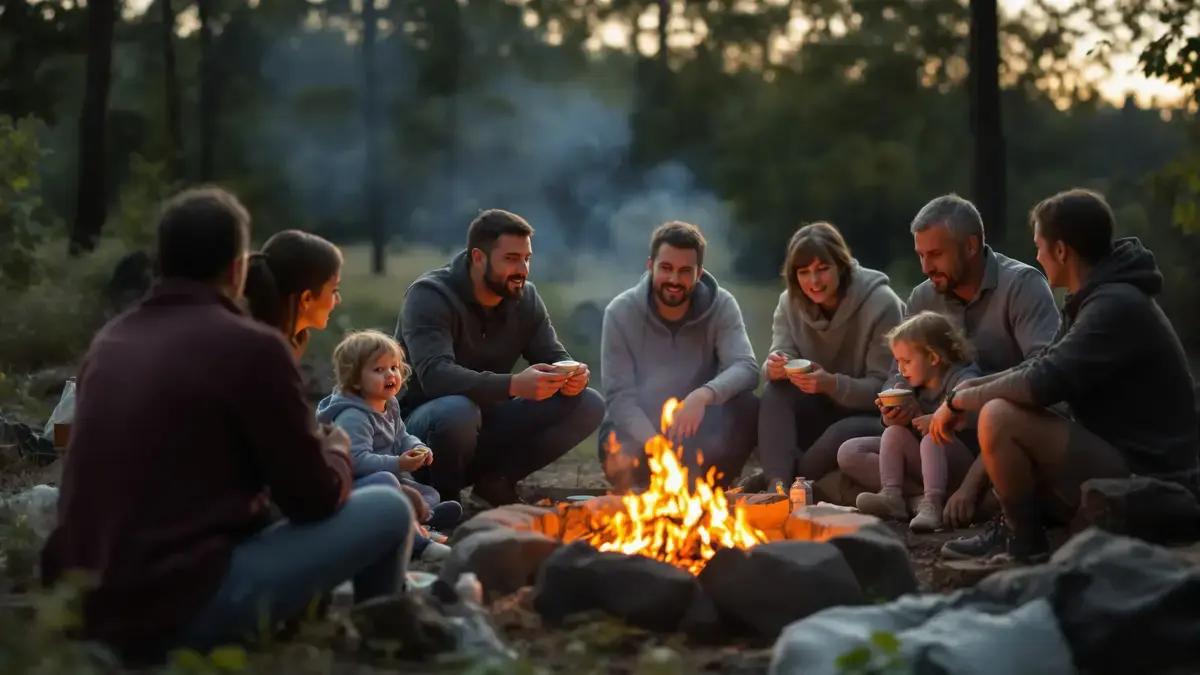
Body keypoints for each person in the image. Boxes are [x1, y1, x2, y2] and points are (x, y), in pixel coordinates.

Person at [40, 187, 419, 663]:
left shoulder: (110, 342)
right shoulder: (251, 347)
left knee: (350, 494)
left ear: (160, 261)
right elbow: (314, 499)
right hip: (180, 608)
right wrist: (339, 451)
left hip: (87, 607)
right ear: (237, 268)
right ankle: (380, 654)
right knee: (389, 507)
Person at [930, 189, 1200, 562]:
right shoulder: (1093, 298)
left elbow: (1042, 383)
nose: (1037, 257)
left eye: (1039, 247)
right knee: (1002, 414)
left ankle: (1022, 541)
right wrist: (967, 389)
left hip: (1149, 476)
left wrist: (960, 400)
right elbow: (1039, 365)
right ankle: (1024, 528)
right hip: (1121, 455)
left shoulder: (1114, 305)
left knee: (999, 416)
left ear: (1061, 251)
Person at [395, 209, 605, 507]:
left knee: (588, 403)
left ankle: (495, 484)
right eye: (511, 259)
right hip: (422, 436)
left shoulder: (525, 297)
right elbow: (435, 376)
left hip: (486, 424)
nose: (522, 269)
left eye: (526, 258)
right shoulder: (430, 296)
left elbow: (553, 355)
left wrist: (572, 374)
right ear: (478, 258)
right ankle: (444, 504)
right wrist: (514, 385)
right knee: (457, 411)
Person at [599, 221, 760, 491]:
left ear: (699, 274)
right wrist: (655, 445)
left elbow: (745, 367)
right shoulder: (620, 313)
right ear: (650, 266)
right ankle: (646, 492)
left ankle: (707, 492)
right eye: (666, 268)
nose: (674, 280)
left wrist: (702, 395)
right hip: (642, 434)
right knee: (614, 443)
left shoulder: (721, 305)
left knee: (747, 406)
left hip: (699, 427)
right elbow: (619, 398)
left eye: (685, 271)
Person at [881, 194, 1060, 433]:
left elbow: (1043, 369)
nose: (926, 268)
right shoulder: (923, 296)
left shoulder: (1022, 285)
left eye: (936, 254)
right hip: (934, 426)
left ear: (970, 246)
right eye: (921, 255)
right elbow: (898, 371)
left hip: (1004, 425)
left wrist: (970, 398)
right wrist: (898, 402)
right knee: (853, 448)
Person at [758, 222, 905, 490]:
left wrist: (831, 384)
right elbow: (781, 353)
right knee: (775, 391)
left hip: (871, 417)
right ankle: (776, 486)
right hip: (818, 411)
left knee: (840, 434)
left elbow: (887, 390)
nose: (814, 281)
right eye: (804, 272)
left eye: (823, 269)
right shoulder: (788, 303)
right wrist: (775, 366)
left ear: (841, 265)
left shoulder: (882, 303)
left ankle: (784, 481)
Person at [317, 330, 465, 562]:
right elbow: (355, 461)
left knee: (428, 493)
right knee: (389, 481)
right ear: (354, 379)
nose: (390, 374)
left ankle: (421, 521)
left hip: (386, 482)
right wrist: (398, 463)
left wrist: (418, 447)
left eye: (394, 367)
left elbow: (402, 436)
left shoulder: (389, 404)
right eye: (378, 370)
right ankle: (419, 543)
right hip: (354, 488)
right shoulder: (354, 416)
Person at [838, 311, 983, 532]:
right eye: (898, 361)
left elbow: (972, 407)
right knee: (854, 449)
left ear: (933, 358)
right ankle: (896, 496)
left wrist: (939, 419)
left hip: (956, 466)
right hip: (921, 464)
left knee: (933, 436)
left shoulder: (961, 378)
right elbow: (896, 427)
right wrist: (891, 414)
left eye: (906, 361)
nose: (900, 369)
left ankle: (933, 503)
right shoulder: (909, 381)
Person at [243, 229, 343, 360]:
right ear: (306, 298)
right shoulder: (266, 353)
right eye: (334, 291)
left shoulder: (253, 337)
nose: (338, 300)